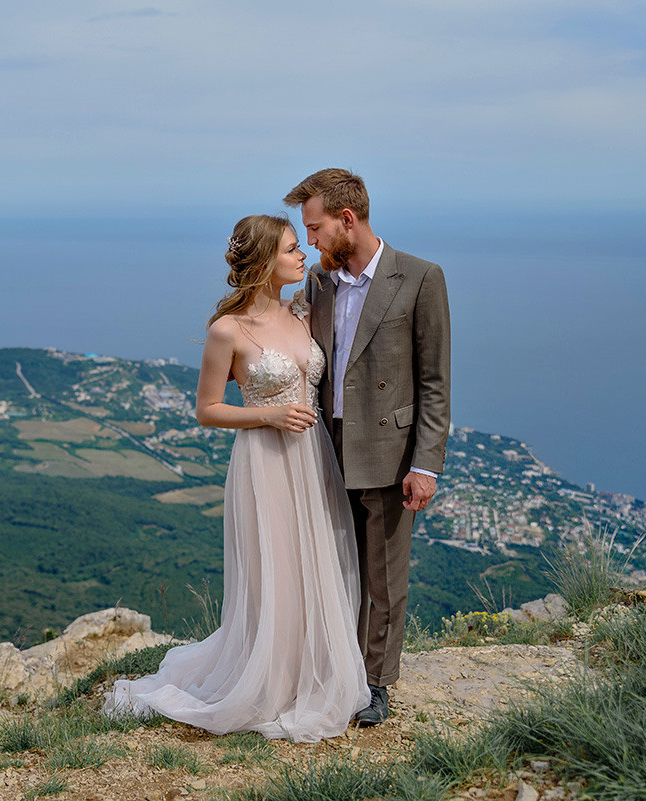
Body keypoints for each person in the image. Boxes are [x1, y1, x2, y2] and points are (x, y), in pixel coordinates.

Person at [103, 214, 369, 742]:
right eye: (293, 249)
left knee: (310, 563)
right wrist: (268, 415)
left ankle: (305, 674)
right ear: (265, 261)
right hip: (264, 461)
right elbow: (206, 409)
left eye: (301, 246)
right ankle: (264, 681)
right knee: (275, 570)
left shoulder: (303, 311)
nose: (303, 256)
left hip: (312, 458)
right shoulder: (228, 329)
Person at [283, 169, 451, 727]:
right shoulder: (320, 284)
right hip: (326, 452)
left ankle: (377, 683)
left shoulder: (421, 278)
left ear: (347, 220)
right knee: (335, 570)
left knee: (383, 577)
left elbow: (434, 383)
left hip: (389, 451)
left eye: (316, 228)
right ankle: (341, 671)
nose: (310, 241)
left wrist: (426, 464)